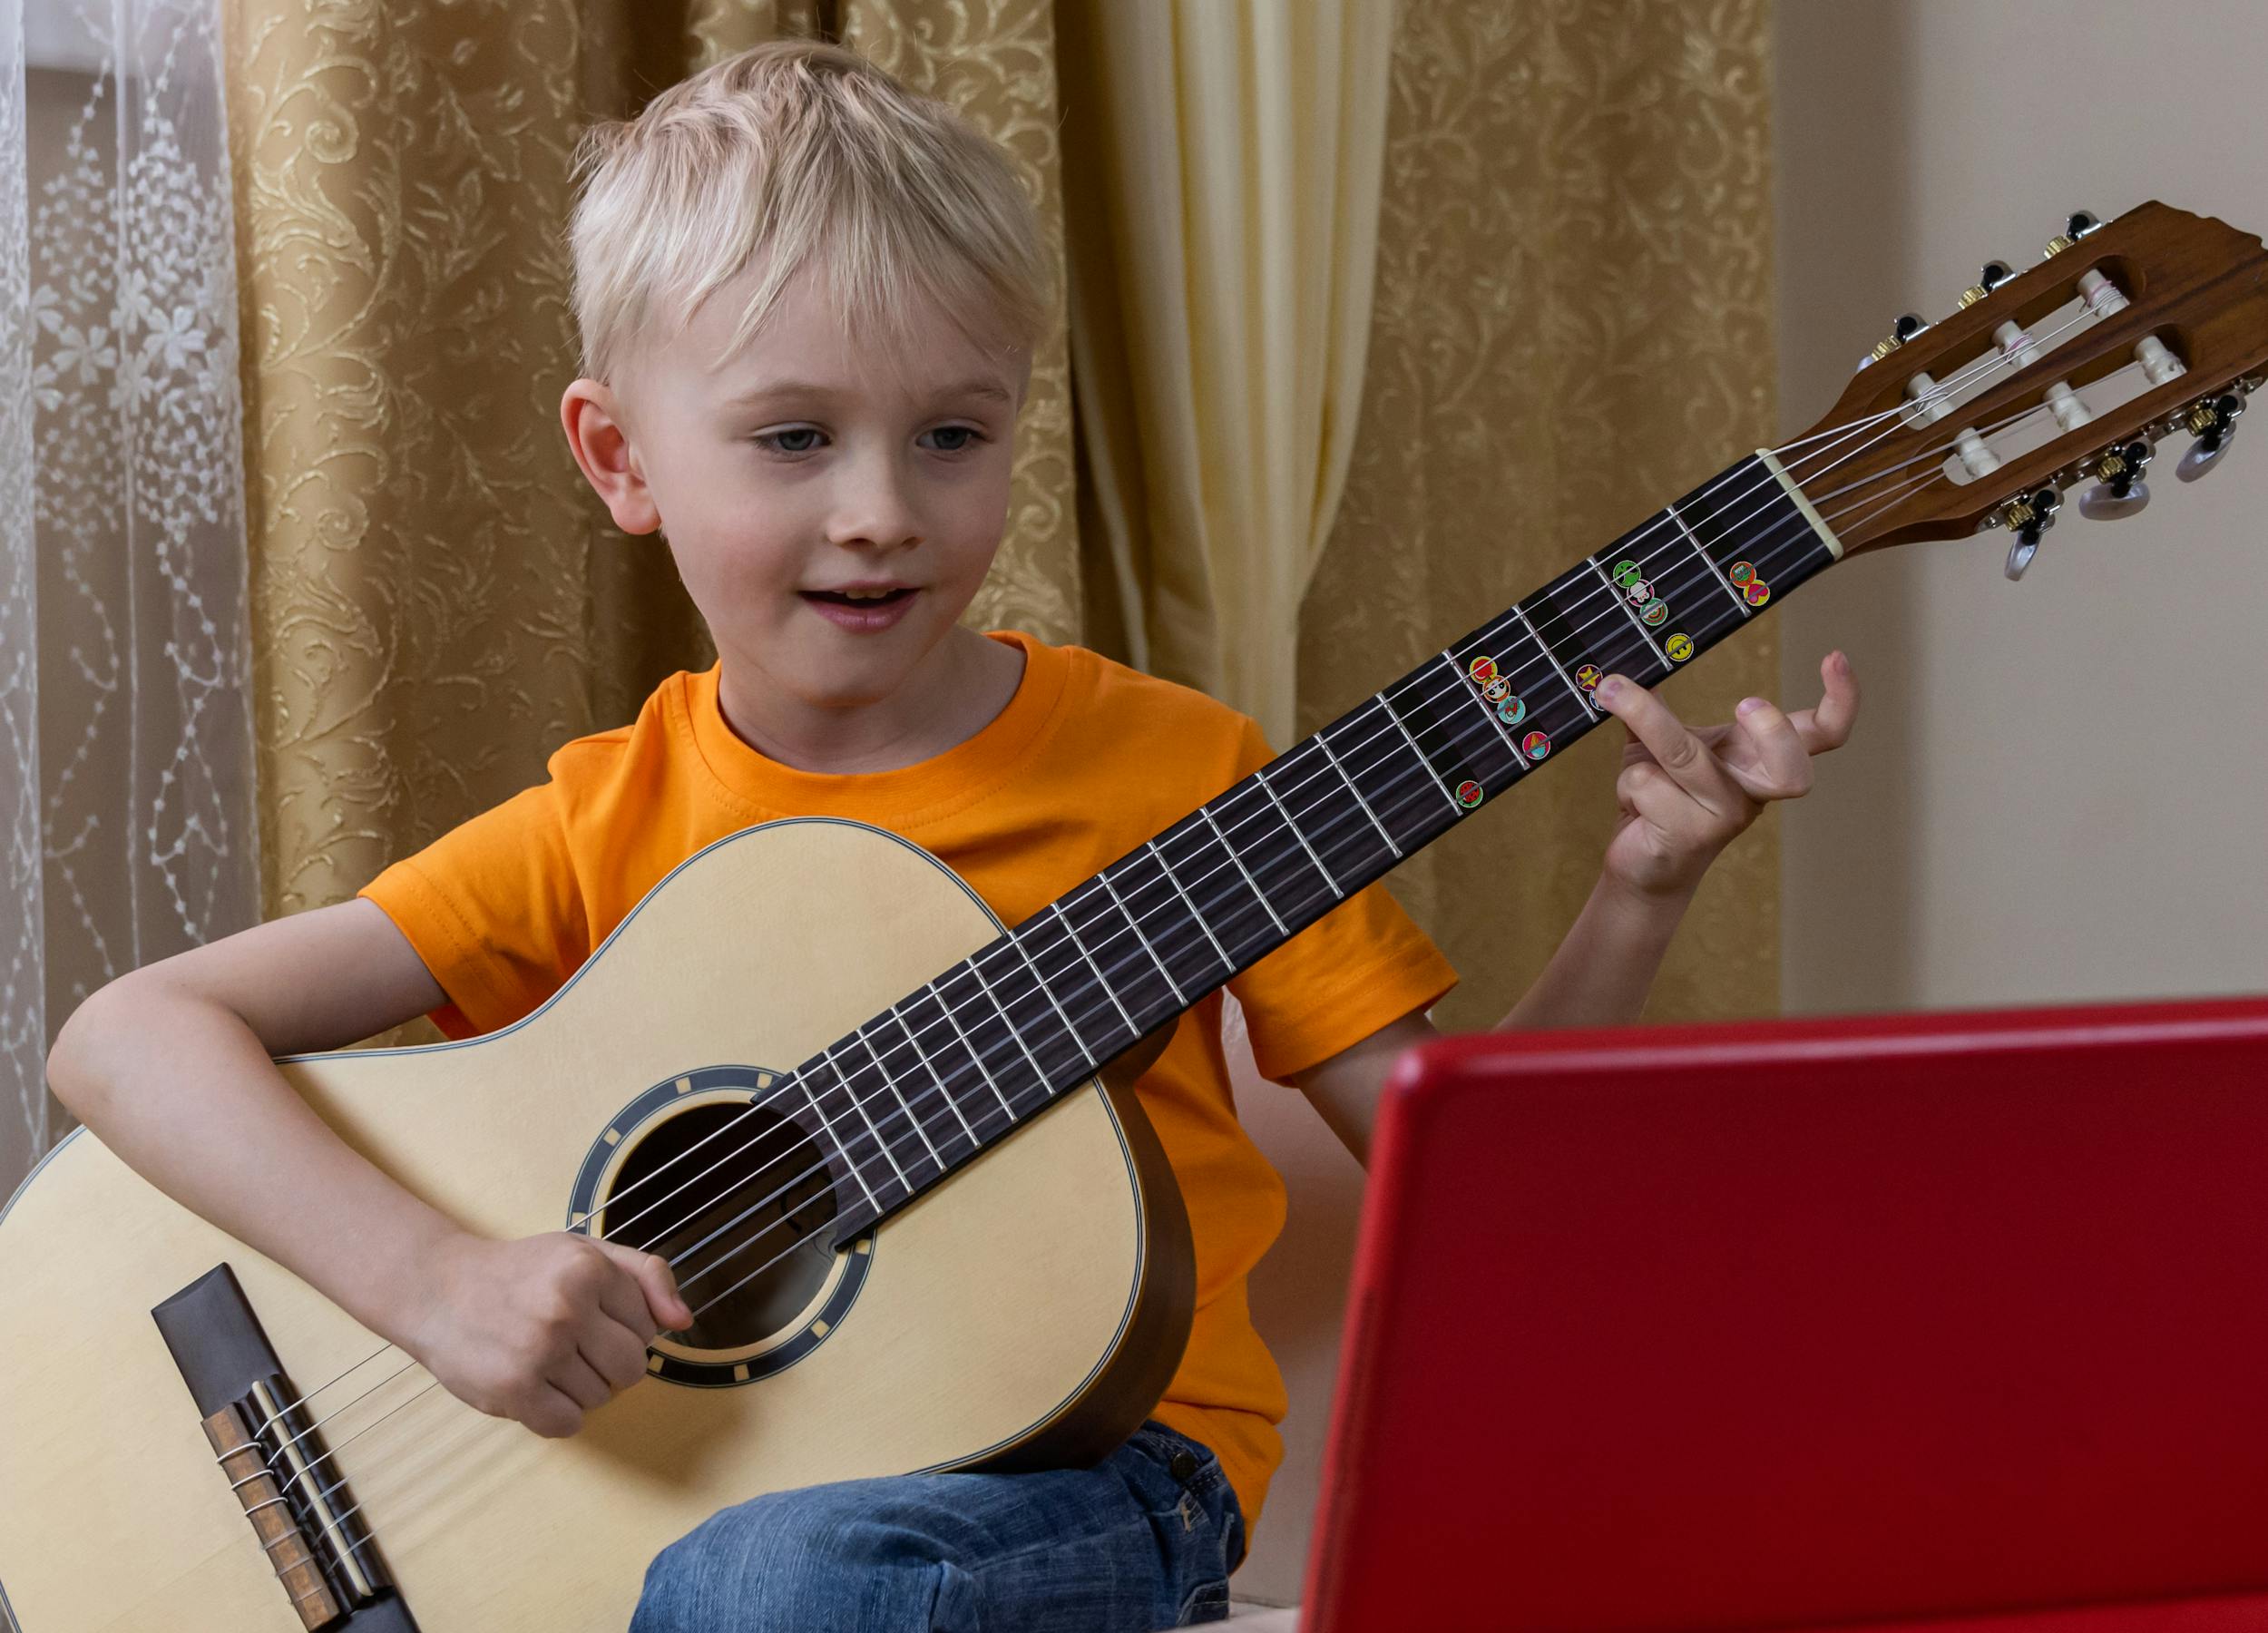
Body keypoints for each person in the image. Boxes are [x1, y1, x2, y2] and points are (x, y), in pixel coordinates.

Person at [44, 38, 1859, 1633]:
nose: (877, 513)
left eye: (949, 434)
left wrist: (1638, 890)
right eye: (787, 437)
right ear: (618, 461)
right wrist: (433, 1283)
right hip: (664, 1495)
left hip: (1094, 1476)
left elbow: (1474, 1208)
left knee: (781, 1589)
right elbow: (125, 1036)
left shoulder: (1180, 780)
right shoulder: (612, 813)